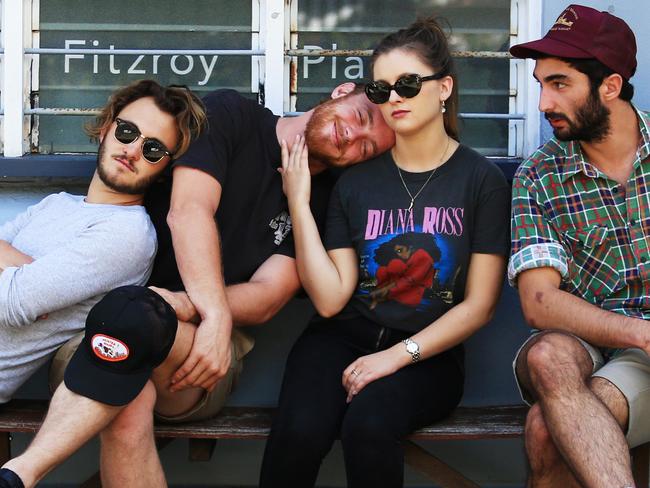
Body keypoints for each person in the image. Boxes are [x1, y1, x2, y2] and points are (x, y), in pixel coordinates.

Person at [0, 83, 395, 487]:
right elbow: (189, 211)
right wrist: (216, 314)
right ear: (342, 91)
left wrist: (186, 308)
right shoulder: (233, 116)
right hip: (110, 334)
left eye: (366, 149)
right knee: (128, 387)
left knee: (136, 320)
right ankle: (19, 476)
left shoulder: (324, 199)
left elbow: (266, 297)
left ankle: (20, 475)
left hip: (197, 354)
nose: (352, 137)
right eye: (360, 117)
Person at [259, 16, 510, 488]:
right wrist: (298, 200)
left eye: (409, 84)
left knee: (369, 427)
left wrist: (396, 357)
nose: (393, 97)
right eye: (381, 89)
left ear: (443, 89)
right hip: (339, 339)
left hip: (429, 355)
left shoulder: (481, 182)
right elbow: (332, 299)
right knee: (298, 431)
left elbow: (480, 305)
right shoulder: (354, 183)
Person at [0, 79, 205, 487]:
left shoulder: (127, 234)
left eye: (152, 149)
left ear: (165, 167)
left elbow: (13, 302)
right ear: (107, 126)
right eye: (128, 132)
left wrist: (20, 273)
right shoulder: (57, 204)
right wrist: (28, 269)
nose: (132, 150)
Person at [507, 4, 649, 487]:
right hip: (586, 338)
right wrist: (642, 333)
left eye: (560, 84)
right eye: (541, 84)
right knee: (546, 355)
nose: (543, 102)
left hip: (637, 366)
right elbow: (539, 302)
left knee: (546, 431)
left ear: (609, 86)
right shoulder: (539, 174)